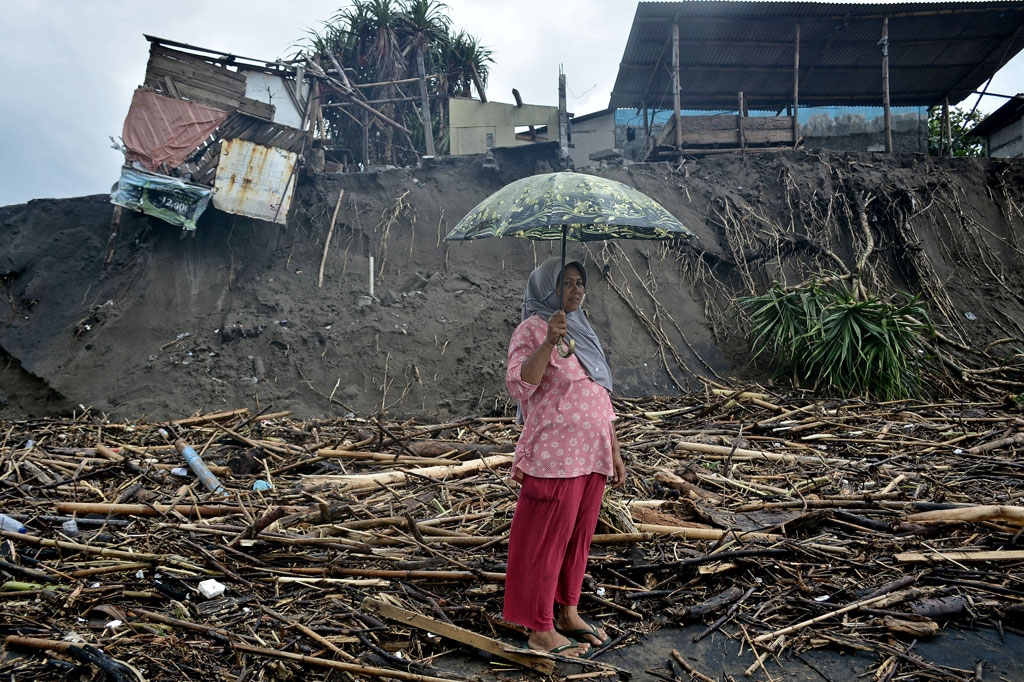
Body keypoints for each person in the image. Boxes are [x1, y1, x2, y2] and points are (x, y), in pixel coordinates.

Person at [503, 256, 626, 658]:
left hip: (592, 453)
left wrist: (614, 448)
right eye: (566, 283)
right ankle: (540, 629)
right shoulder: (532, 328)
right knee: (544, 540)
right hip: (555, 457)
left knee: (577, 537)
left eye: (580, 283)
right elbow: (520, 385)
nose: (575, 290)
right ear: (546, 288)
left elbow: (598, 392)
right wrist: (547, 342)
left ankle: (568, 611)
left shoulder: (582, 328)